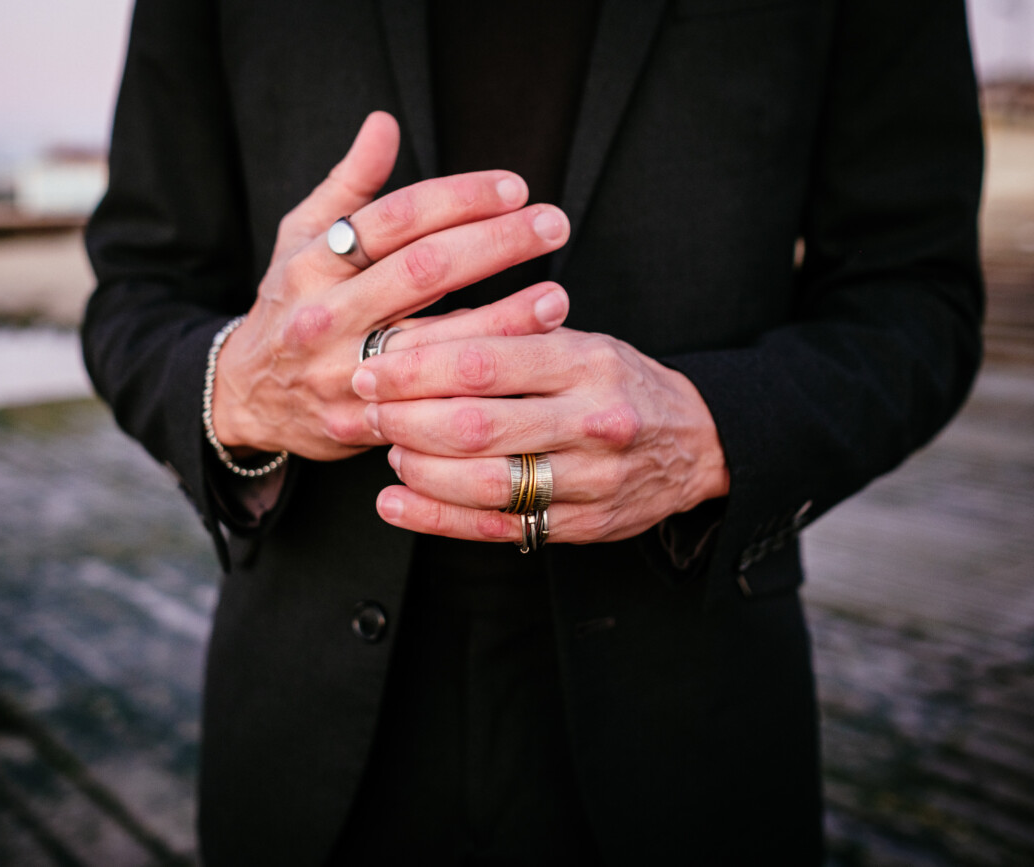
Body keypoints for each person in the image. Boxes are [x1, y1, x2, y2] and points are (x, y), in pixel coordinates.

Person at [83, 0, 984, 862]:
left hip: (688, 731)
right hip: (304, 735)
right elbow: (137, 286)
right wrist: (241, 387)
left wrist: (708, 431)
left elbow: (917, 295)